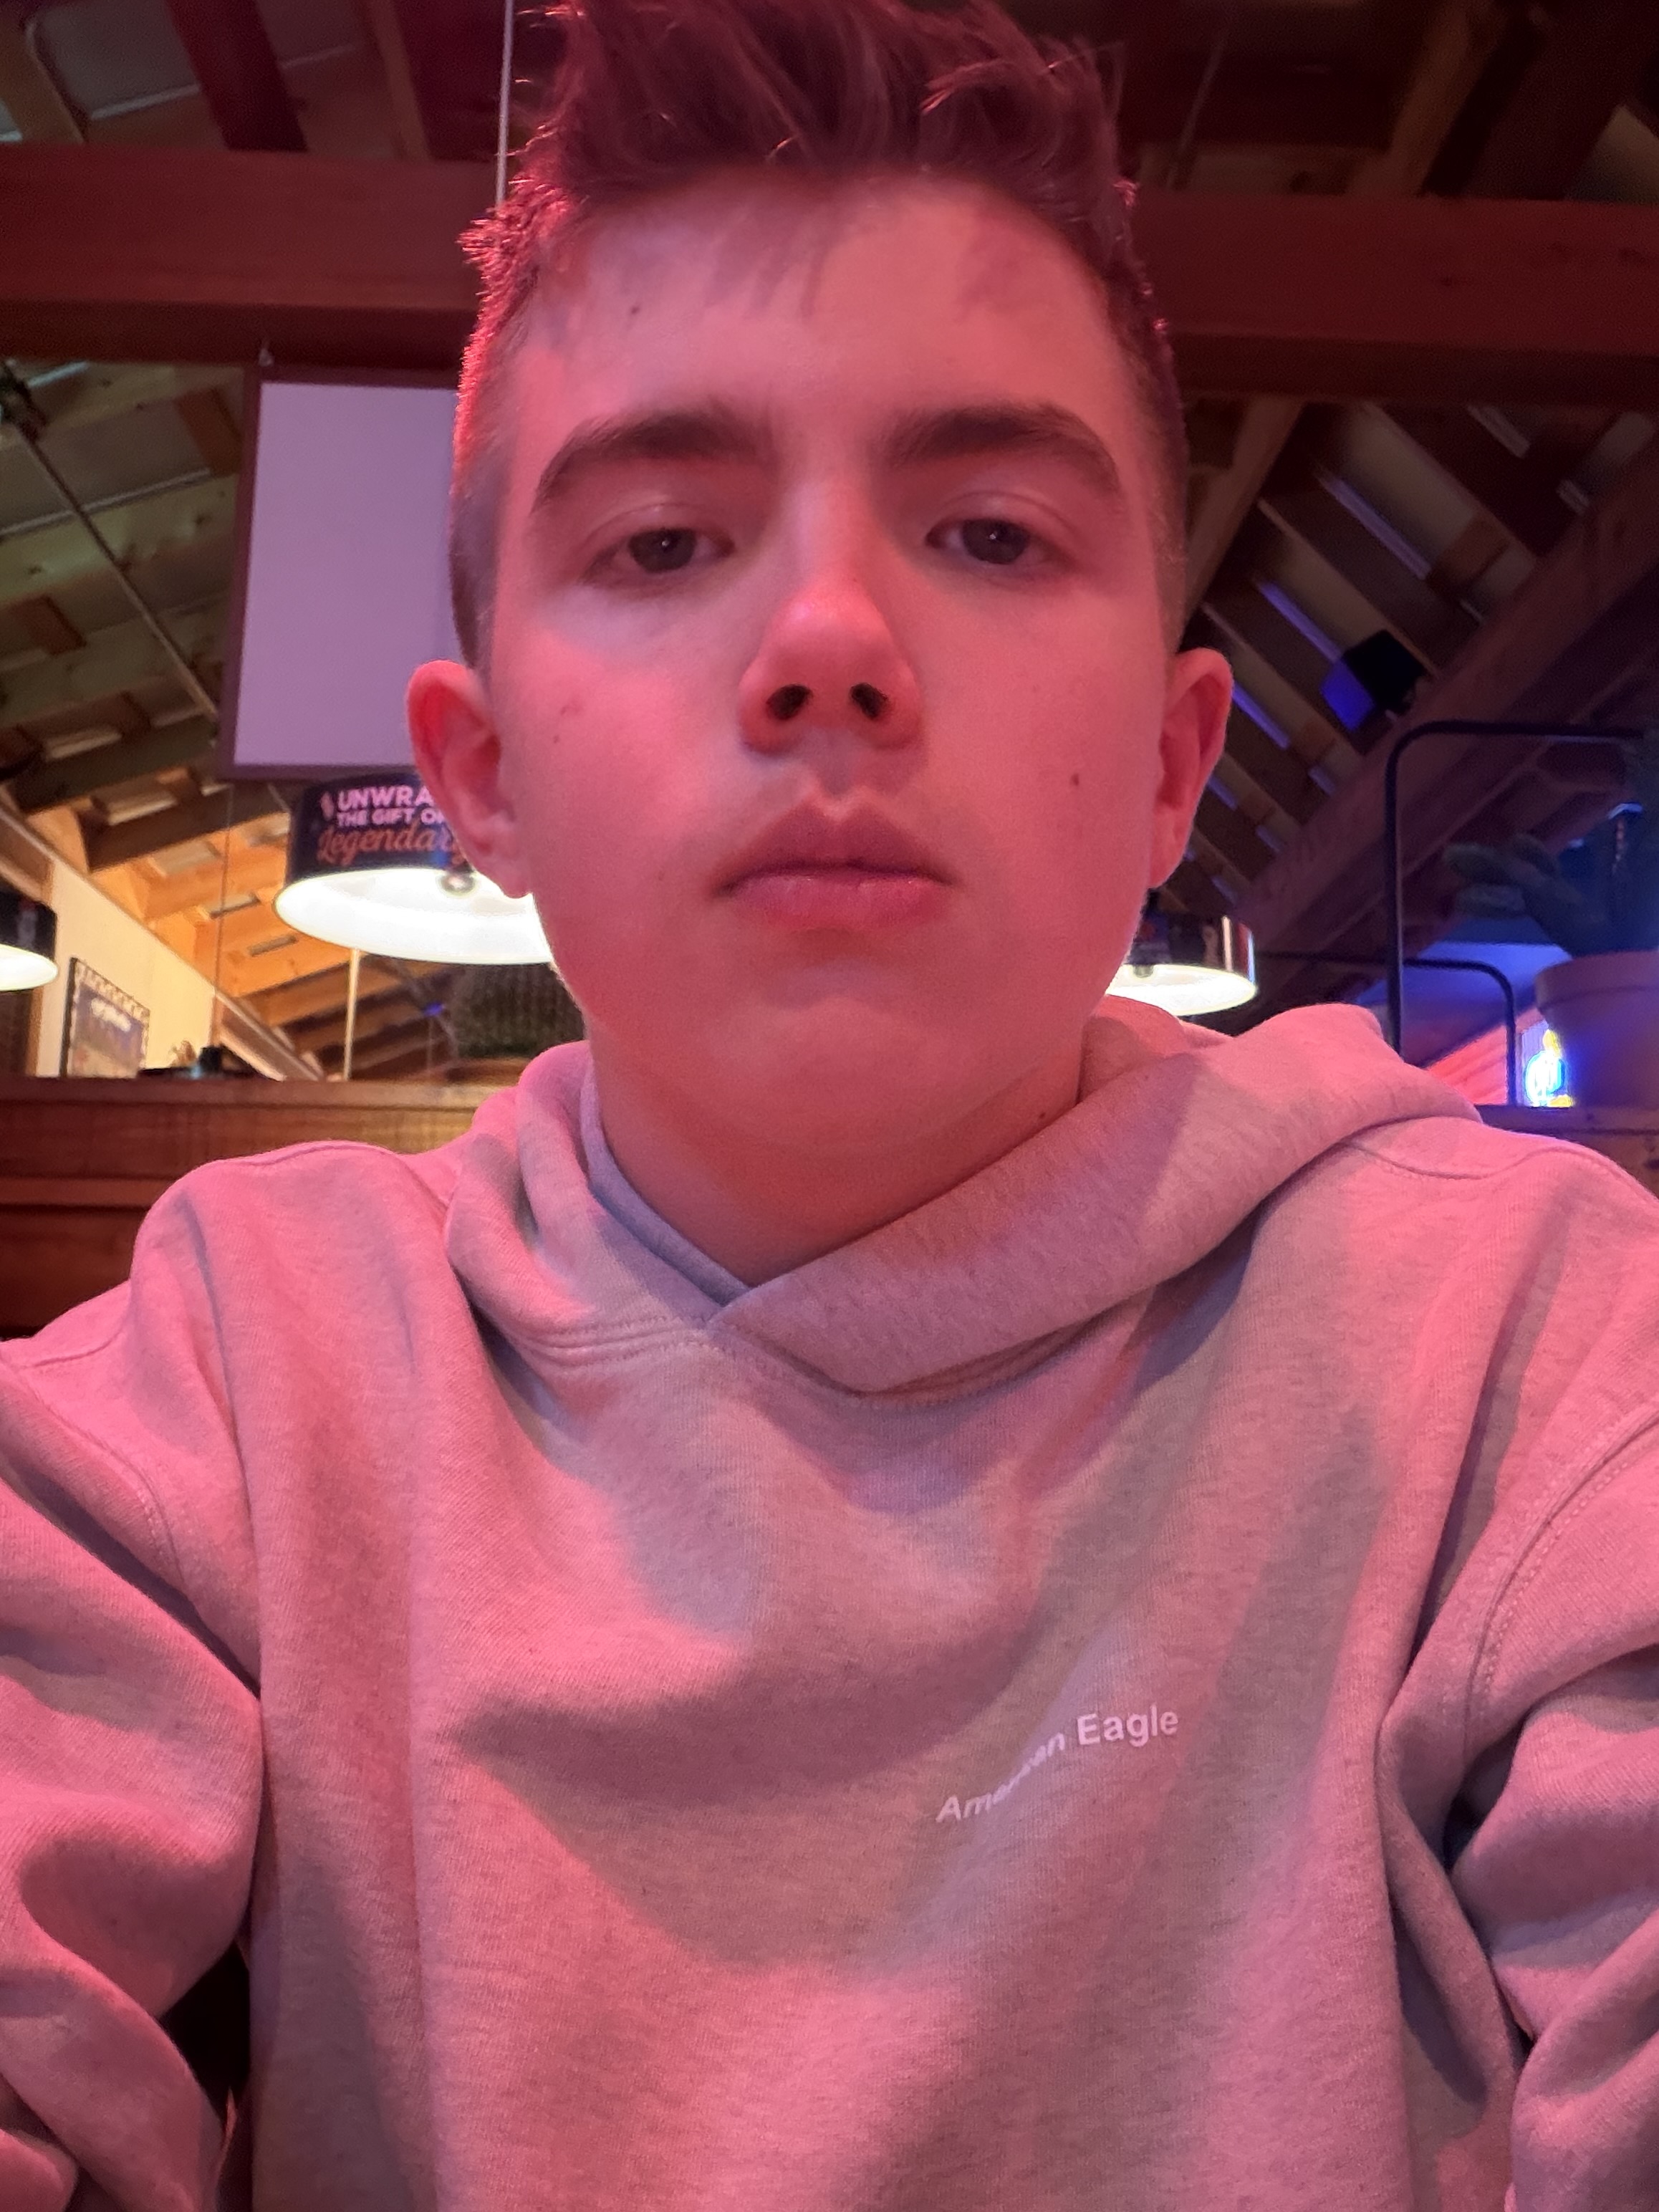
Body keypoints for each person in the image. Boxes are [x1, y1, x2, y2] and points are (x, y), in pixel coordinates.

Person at [3, 1, 1658, 2205]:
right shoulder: (234, 1376)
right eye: (661, 543)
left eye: (986, 532)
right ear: (482, 776)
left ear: (1171, 767)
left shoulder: (1528, 1352)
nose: (828, 642)